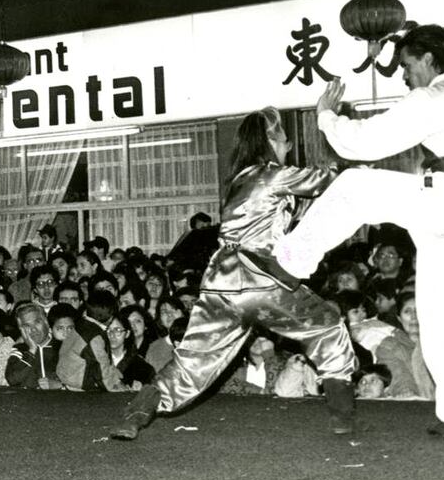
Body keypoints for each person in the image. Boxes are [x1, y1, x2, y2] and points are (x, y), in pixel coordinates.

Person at [272, 24, 444, 440]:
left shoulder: (436, 96)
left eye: (406, 64)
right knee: (437, 313)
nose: (404, 75)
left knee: (355, 184)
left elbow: (365, 142)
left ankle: (288, 261)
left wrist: (327, 116)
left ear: (428, 59)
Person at [108, 107, 357, 441]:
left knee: (192, 364)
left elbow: (290, 209)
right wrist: (342, 130)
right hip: (260, 279)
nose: (288, 146)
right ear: (269, 140)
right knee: (328, 327)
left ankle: (136, 414)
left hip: (221, 281)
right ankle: (343, 416)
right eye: (284, 140)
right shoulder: (272, 175)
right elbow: (328, 179)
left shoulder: (239, 181)